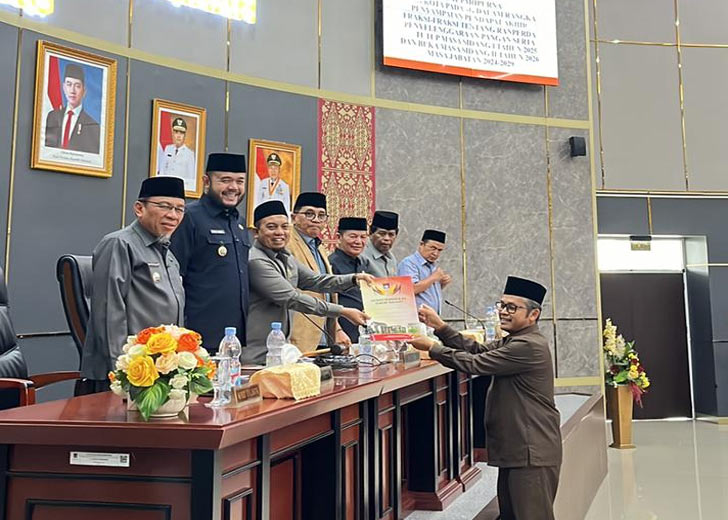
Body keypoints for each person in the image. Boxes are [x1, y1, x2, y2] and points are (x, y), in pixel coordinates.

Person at [409, 276, 561, 520]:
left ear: (533, 315)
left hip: (531, 450)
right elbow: (477, 349)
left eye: (512, 307)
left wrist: (432, 347)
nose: (503, 312)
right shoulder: (515, 340)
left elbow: (475, 363)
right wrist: (441, 327)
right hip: (518, 448)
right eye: (502, 305)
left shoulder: (528, 346)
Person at [81, 177, 186, 391]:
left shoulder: (166, 252)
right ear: (139, 208)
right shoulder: (120, 244)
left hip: (158, 372)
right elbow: (109, 312)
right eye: (164, 206)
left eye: (179, 209)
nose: (173, 215)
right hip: (127, 376)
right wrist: (121, 374)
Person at [245, 200, 373, 364]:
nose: (280, 232)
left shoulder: (286, 257)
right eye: (271, 227)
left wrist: (354, 279)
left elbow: (315, 280)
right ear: (256, 232)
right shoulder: (256, 261)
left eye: (284, 227)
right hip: (257, 353)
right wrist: (342, 311)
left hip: (281, 349)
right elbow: (291, 298)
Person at [170, 153, 249, 352]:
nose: (234, 187)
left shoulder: (239, 222)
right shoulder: (189, 217)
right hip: (197, 337)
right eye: (225, 180)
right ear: (206, 181)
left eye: (240, 181)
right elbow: (174, 276)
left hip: (233, 338)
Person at [288, 192, 350, 352]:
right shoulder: (287, 242)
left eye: (321, 215)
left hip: (324, 333)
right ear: (294, 217)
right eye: (309, 214)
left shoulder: (319, 247)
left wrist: (337, 328)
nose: (316, 220)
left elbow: (326, 291)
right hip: (298, 333)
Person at [328, 217, 370, 343]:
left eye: (363, 237)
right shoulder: (331, 264)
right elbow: (328, 300)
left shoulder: (363, 263)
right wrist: (337, 330)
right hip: (342, 331)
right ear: (339, 237)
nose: (358, 241)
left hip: (362, 330)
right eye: (353, 236)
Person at [44, 63, 100, 154]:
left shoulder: (93, 126)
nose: (72, 91)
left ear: (84, 91)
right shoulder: (52, 116)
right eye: (69, 84)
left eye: (77, 86)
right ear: (64, 87)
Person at [397, 229, 452, 313]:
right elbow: (410, 290)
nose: (435, 253)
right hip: (416, 317)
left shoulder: (432, 266)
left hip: (432, 317)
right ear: (421, 244)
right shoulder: (409, 263)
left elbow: (426, 292)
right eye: (433, 248)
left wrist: (441, 284)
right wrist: (434, 278)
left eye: (439, 250)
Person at [361, 210, 399, 278]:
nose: (387, 238)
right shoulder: (361, 256)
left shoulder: (391, 258)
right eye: (382, 234)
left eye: (391, 235)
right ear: (370, 232)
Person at [159, 117, 196, 186]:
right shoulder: (168, 149)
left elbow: (191, 178)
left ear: (185, 135)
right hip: (165, 186)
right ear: (173, 133)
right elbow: (162, 170)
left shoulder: (190, 154)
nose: (178, 136)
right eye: (176, 132)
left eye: (181, 133)